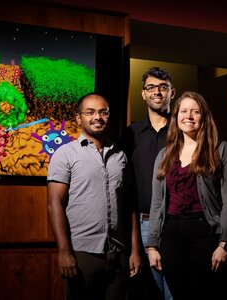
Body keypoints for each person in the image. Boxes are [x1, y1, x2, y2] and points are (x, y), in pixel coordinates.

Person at [47, 93, 142, 300]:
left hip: (118, 254)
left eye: (103, 112)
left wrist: (134, 251)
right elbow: (55, 204)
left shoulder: (120, 155)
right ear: (78, 118)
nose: (97, 117)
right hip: (81, 254)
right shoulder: (65, 154)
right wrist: (64, 251)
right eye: (90, 112)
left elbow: (129, 207)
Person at [146, 91, 227, 300]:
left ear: (204, 117)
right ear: (176, 115)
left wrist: (225, 244)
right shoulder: (164, 155)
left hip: (205, 234)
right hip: (171, 235)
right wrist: (152, 245)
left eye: (195, 112)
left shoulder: (221, 150)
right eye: (184, 111)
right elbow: (157, 202)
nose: (188, 116)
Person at [119, 67, 175, 300]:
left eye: (163, 87)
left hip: (176, 222)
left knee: (175, 290)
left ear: (172, 92)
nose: (157, 92)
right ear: (143, 94)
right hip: (142, 224)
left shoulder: (183, 129)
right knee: (148, 292)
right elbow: (126, 187)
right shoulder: (130, 134)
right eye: (151, 87)